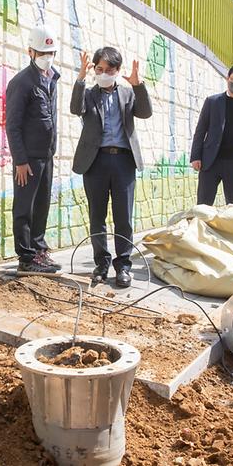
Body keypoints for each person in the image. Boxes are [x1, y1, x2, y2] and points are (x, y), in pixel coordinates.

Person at [70, 48, 152, 287]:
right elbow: (75, 109)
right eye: (99, 69)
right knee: (97, 216)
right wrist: (80, 77)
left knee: (123, 216)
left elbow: (145, 112)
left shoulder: (128, 93)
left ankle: (123, 266)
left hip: (123, 161)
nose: (104, 73)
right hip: (95, 161)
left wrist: (138, 85)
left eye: (109, 70)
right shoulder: (89, 94)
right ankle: (101, 264)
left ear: (117, 71)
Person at [5, 25, 61, 274]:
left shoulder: (52, 79)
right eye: (42, 52)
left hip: (46, 156)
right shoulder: (22, 82)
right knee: (24, 209)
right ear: (30, 52)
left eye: (51, 53)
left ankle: (39, 251)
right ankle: (26, 258)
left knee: (41, 206)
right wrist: (20, 160)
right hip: (27, 160)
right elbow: (13, 125)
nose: (47, 57)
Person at [190, 64, 233, 206]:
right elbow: (200, 130)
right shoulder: (212, 102)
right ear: (228, 78)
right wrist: (196, 156)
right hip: (210, 161)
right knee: (203, 205)